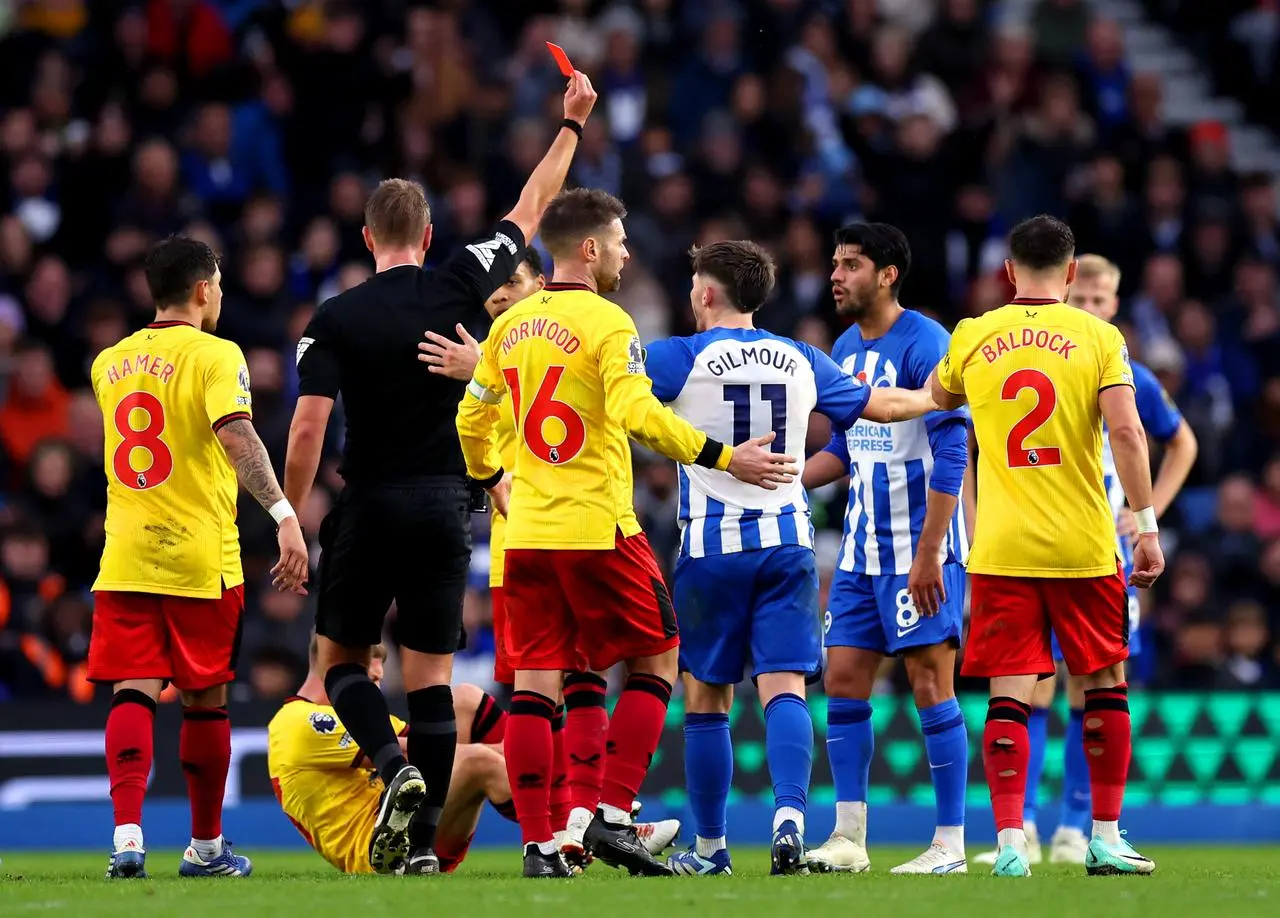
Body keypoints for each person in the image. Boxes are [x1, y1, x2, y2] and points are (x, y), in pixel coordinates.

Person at [283, 72, 597, 876]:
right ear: (426, 238)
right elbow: (529, 211)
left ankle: (395, 773)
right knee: (429, 680)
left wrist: (288, 511)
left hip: (370, 504)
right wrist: (571, 126)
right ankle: (420, 847)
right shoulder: (459, 279)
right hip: (445, 509)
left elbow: (311, 425)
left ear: (366, 239)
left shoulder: (333, 319)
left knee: (343, 663)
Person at [455, 188, 796, 877]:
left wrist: (492, 481)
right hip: (598, 529)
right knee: (658, 659)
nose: (625, 253)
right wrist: (727, 456)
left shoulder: (508, 328)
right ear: (589, 249)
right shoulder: (609, 324)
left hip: (524, 536)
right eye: (617, 241)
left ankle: (541, 845)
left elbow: (469, 421)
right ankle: (613, 813)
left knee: (534, 685)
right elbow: (639, 414)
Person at [639, 241, 938, 877]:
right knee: (785, 688)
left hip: (711, 546)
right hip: (787, 544)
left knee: (707, 699)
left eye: (696, 284)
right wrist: (947, 390)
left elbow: (600, 385)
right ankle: (790, 819)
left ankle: (713, 848)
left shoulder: (679, 357)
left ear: (707, 293)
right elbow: (886, 406)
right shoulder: (803, 358)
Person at [928, 215, 1165, 877]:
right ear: (1069, 274)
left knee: (1011, 689)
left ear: (1008, 271)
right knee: (1103, 681)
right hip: (1083, 543)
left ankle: (1009, 841)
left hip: (1000, 545)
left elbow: (940, 400)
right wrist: (1145, 524)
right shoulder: (1099, 336)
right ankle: (1105, 836)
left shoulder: (974, 334)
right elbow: (1126, 432)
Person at [88, 235, 309, 880]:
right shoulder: (216, 354)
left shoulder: (109, 362)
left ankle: (127, 837)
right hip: (197, 556)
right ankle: (207, 848)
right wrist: (285, 515)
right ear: (204, 289)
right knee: (204, 700)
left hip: (126, 552)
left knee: (132, 688)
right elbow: (237, 436)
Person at [975, 254, 1199, 866]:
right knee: (1048, 688)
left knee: (1078, 687)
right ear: (1069, 289)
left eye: (1104, 302)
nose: (1093, 309)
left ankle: (1071, 826)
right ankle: (1034, 826)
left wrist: (1143, 512)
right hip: (1077, 547)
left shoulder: (1119, 363)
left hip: (1087, 543)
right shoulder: (1084, 353)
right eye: (1087, 300)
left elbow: (1180, 441)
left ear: (1114, 304)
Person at [419, 250, 616, 854]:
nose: (501, 293)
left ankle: (579, 821)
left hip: (570, 533)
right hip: (520, 546)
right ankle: (558, 829)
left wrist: (479, 368)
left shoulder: (515, 351)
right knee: (538, 695)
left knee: (580, 683)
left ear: (541, 283)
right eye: (495, 285)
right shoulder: (491, 353)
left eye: (514, 280)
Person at [801, 224, 971, 876]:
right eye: (835, 263)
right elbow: (845, 447)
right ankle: (849, 837)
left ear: (888, 274)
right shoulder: (845, 347)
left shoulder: (929, 344)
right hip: (859, 552)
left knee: (930, 681)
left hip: (918, 552)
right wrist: (784, 476)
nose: (837, 275)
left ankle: (949, 844)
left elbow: (954, 451)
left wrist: (930, 553)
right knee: (843, 679)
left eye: (851, 265)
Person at [269, 639, 680, 876]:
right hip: (377, 848)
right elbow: (413, 756)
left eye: (380, 661)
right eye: (368, 662)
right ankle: (583, 823)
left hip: (405, 816)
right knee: (477, 761)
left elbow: (428, 746)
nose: (377, 673)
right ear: (330, 660)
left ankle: (579, 817)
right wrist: (513, 754)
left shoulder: (345, 713)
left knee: (461, 700)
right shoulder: (299, 722)